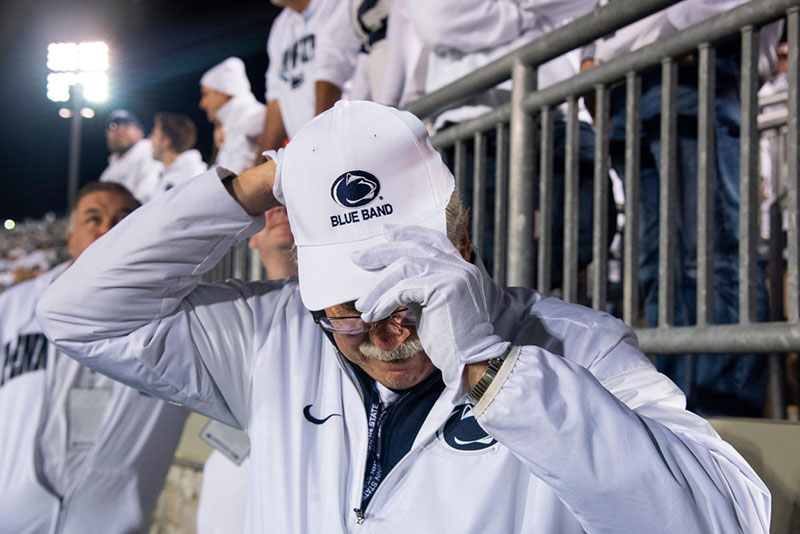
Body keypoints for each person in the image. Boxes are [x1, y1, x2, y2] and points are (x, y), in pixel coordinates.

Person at [38, 101, 769, 533]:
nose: (383, 335)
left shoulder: (578, 347)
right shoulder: (277, 336)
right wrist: (262, 182)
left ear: (464, 245)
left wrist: (492, 372)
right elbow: (80, 313)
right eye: (349, 310)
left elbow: (734, 518)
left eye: (407, 301)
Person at [582, 1, 783, 416]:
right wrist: (593, 57)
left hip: (697, 59)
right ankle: (676, 409)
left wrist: (674, 25)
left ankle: (728, 415)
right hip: (629, 83)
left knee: (712, 253)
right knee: (659, 265)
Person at [381, 0, 614, 282]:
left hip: (554, 105)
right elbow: (438, 20)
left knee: (593, 223)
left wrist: (486, 12)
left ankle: (524, 299)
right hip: (472, 119)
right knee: (488, 247)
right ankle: (515, 303)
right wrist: (527, 16)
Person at [0, 182, 187, 534]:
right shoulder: (12, 308)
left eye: (124, 219)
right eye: (94, 218)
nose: (108, 230)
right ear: (71, 240)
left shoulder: (178, 318)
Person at [196, 205, 297, 534]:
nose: (280, 210)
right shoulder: (230, 315)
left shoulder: (354, 318)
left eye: (291, 202)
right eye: (269, 205)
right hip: (230, 480)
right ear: (250, 239)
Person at [258, 0, 361, 153]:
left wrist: (318, 144)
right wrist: (259, 165)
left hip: (354, 137)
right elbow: (276, 97)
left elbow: (331, 71)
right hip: (311, 148)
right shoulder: (281, 25)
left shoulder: (338, 3)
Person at [200, 57, 266, 174]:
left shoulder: (256, 117)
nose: (202, 104)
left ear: (222, 92)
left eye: (205, 94)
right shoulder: (229, 127)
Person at [99, 109, 163, 203]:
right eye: (113, 127)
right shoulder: (109, 171)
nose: (119, 130)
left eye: (126, 125)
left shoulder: (149, 151)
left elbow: (147, 197)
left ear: (140, 132)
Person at [151, 112, 207, 193]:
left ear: (165, 142)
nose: (151, 139)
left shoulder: (193, 175)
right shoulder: (164, 174)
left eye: (154, 134)